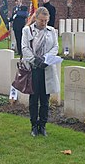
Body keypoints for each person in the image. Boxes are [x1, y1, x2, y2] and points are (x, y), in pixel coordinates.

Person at [21, 7, 59, 137]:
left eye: (46, 21)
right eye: (41, 20)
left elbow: (55, 47)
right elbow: (24, 47)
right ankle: (33, 125)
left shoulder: (51, 31)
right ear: (36, 18)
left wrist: (46, 58)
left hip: (46, 68)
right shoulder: (27, 30)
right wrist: (35, 60)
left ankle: (42, 125)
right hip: (33, 68)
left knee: (45, 99)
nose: (44, 23)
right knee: (33, 98)